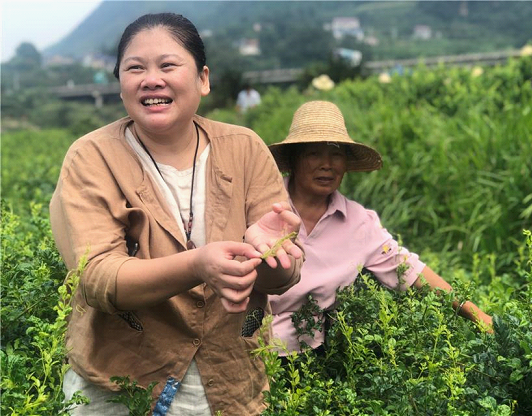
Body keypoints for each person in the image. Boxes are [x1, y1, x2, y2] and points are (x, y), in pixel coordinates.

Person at [49, 13, 303, 416]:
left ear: (203, 78)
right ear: (120, 86)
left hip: (229, 382)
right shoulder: (92, 156)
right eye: (135, 68)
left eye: (168, 65)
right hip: (119, 387)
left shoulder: (245, 148)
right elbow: (96, 278)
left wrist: (273, 252)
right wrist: (198, 264)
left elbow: (283, 276)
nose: (152, 79)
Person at [267, 100, 493, 356]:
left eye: (336, 154)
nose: (327, 164)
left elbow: (411, 271)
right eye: (314, 153)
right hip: (248, 347)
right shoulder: (260, 205)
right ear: (294, 160)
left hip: (309, 359)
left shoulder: (359, 223)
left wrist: (480, 318)